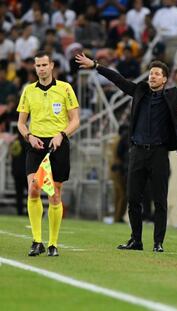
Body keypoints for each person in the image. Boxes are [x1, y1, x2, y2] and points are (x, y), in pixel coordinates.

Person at [75, 53, 177, 252]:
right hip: (138, 153)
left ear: (165, 79)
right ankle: (136, 240)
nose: (152, 77)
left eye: (157, 74)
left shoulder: (172, 95)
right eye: (151, 74)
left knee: (159, 200)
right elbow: (118, 79)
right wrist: (96, 65)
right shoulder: (139, 90)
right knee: (133, 199)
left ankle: (158, 242)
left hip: (159, 154)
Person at [17, 50, 80, 256]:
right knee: (33, 189)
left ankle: (52, 243)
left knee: (55, 194)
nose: (41, 69)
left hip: (58, 144)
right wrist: (29, 136)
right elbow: (20, 123)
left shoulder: (65, 89)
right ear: (34, 68)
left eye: (45, 65)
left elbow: (75, 120)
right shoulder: (28, 91)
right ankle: (37, 240)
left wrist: (61, 134)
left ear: (52, 66)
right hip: (35, 145)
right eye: (38, 66)